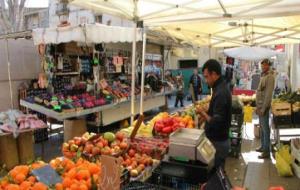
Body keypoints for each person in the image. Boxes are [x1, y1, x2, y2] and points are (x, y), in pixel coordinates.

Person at [196, 59, 232, 170]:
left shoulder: (220, 92)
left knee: (216, 176)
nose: (206, 81)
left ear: (214, 74)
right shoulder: (220, 87)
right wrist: (207, 111)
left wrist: (202, 112)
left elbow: (216, 122)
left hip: (219, 143)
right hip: (220, 140)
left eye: (207, 77)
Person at [255, 59, 275, 159]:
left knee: (265, 129)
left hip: (264, 107)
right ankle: (263, 146)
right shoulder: (264, 75)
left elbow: (268, 94)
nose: (263, 67)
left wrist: (263, 108)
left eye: (264, 65)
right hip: (260, 106)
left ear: (268, 65)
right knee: (262, 128)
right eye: (262, 65)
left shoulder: (270, 77)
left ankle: (266, 151)